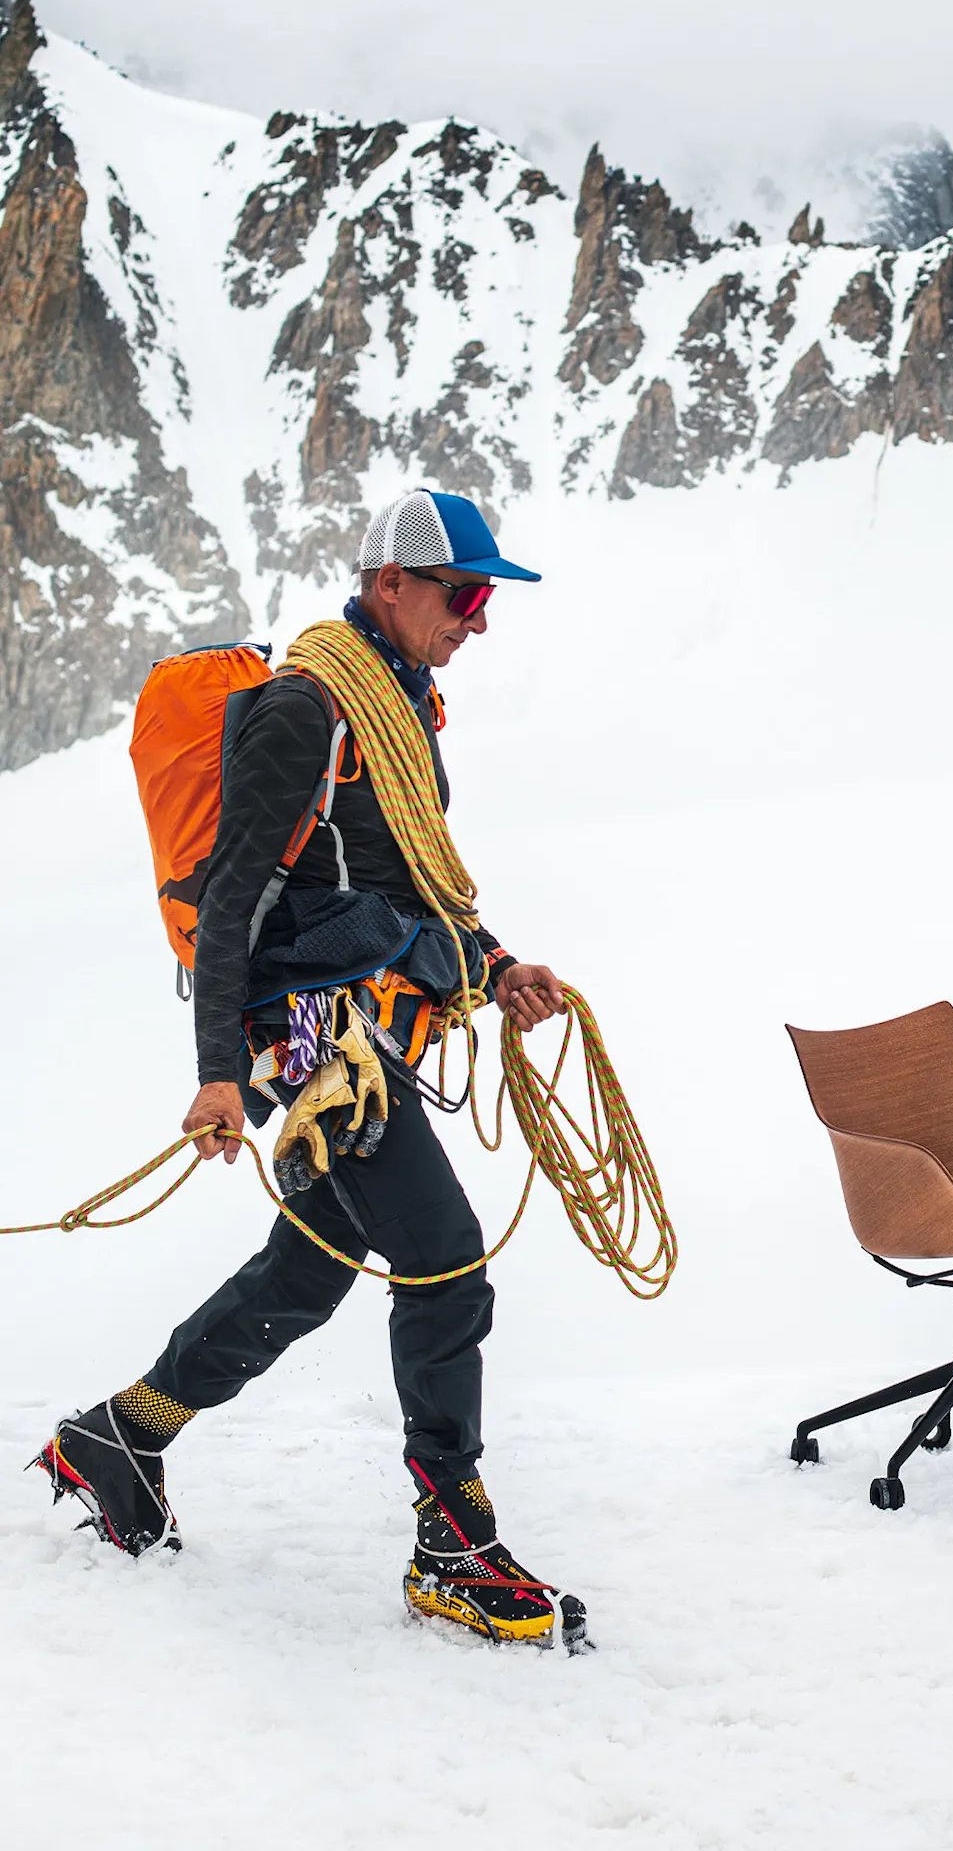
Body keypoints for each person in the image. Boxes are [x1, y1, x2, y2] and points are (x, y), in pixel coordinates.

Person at [35, 488, 574, 1647]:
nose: (477, 619)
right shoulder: (304, 709)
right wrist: (221, 1071)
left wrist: (497, 964)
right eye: (465, 594)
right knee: (442, 1256)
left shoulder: (399, 708)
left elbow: (402, 881)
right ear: (392, 584)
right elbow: (233, 897)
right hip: (317, 1040)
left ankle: (118, 1437)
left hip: (365, 1027)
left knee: (313, 1270)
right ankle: (453, 1547)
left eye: (485, 599)